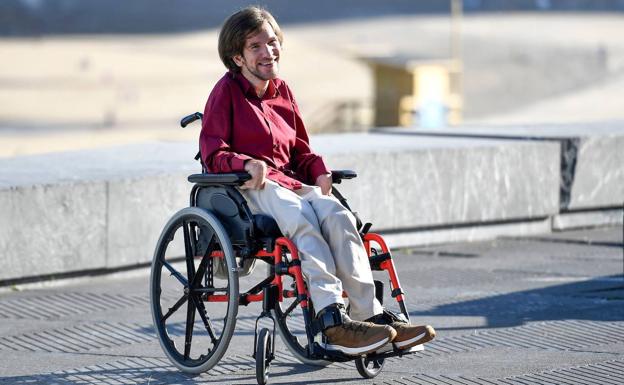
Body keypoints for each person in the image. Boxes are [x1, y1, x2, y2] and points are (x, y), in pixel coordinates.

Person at [199, 6, 435, 356]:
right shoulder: (226, 94)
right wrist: (246, 163)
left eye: (273, 42)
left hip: (291, 184)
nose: (269, 52)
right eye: (256, 46)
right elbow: (212, 153)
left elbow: (300, 151)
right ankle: (331, 319)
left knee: (337, 215)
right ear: (237, 56)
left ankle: (369, 316)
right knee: (301, 217)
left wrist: (319, 170)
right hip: (249, 191)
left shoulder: (282, 91)